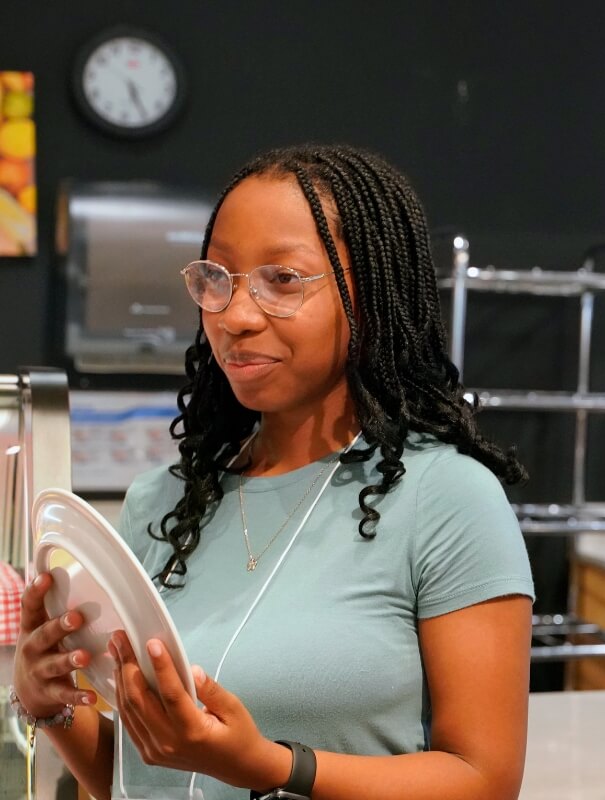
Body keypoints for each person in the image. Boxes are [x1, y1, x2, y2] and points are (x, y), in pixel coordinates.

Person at [13, 144, 536, 800]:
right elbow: (140, 777)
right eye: (218, 279)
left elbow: (483, 781)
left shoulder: (447, 498)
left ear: (369, 299)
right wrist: (49, 703)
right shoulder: (162, 503)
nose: (235, 317)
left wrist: (275, 766)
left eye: (283, 280)